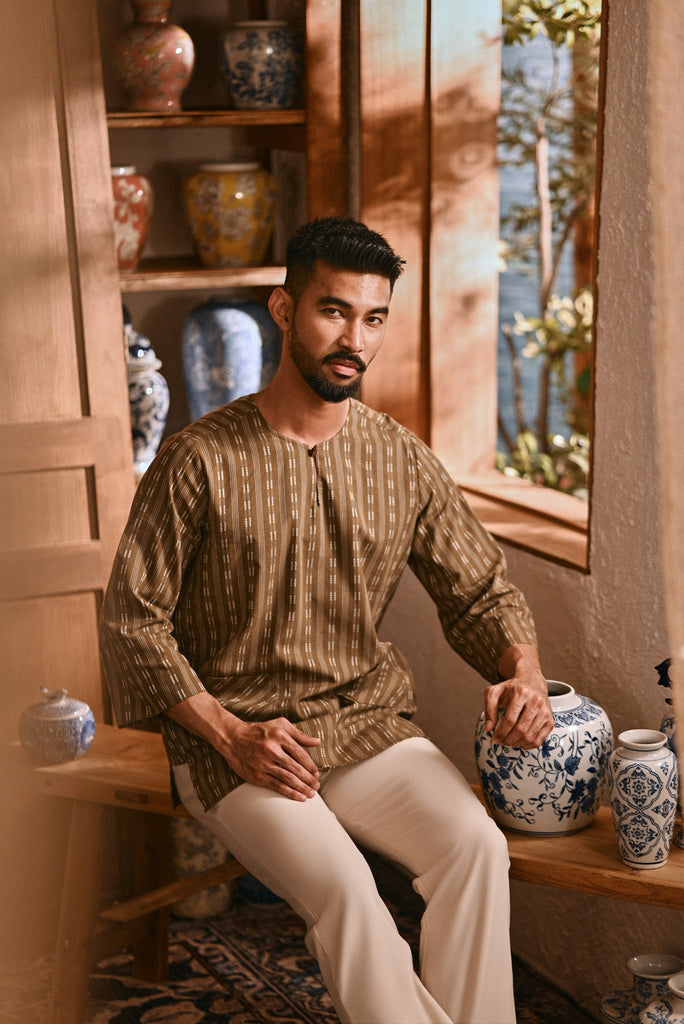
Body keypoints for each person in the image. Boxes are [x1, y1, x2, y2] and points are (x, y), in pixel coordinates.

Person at [100, 216, 554, 1024]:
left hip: (363, 722)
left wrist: (524, 672)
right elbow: (134, 621)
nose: (355, 340)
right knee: (348, 893)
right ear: (284, 310)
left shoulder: (401, 458)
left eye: (374, 318)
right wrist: (230, 734)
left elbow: (480, 589)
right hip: (236, 741)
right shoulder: (197, 459)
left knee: (474, 847)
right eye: (334, 311)